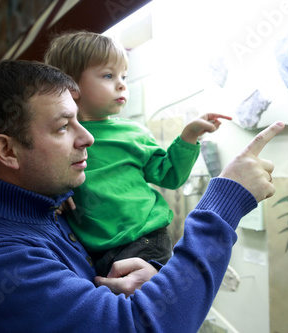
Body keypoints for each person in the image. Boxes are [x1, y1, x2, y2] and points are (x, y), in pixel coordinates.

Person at [0, 59, 284, 333]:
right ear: (7, 151)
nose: (87, 137)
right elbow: (142, 327)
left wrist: (147, 284)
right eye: (62, 127)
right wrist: (225, 205)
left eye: (79, 120)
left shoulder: (47, 210)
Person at [44, 31, 232, 276]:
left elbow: (170, 175)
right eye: (108, 75)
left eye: (124, 76)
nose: (122, 84)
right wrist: (56, 197)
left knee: (148, 305)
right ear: (70, 85)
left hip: (145, 239)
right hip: (93, 249)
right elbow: (47, 178)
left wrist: (188, 137)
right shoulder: (57, 138)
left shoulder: (133, 133)